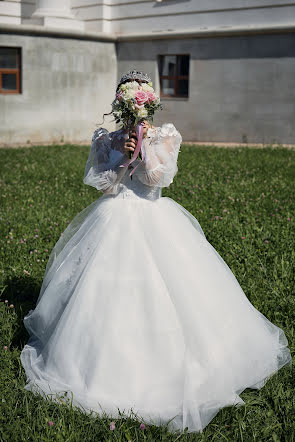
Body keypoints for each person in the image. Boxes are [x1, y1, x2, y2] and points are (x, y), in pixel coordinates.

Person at [20, 70, 292, 434]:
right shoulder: (106, 138)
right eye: (131, 102)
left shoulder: (166, 135)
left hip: (155, 218)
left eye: (140, 103)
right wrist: (121, 157)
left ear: (148, 104)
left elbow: (158, 179)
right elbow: (104, 185)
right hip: (113, 218)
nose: (136, 111)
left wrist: (144, 149)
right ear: (123, 104)